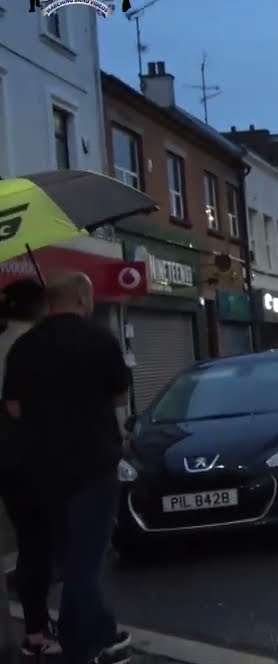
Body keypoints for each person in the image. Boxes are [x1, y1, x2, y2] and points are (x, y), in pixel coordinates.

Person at [3, 273, 132, 664]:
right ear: (82, 297)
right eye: (90, 297)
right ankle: (83, 647)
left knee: (70, 557)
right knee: (83, 564)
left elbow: (13, 408)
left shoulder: (23, 348)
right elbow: (120, 392)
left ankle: (104, 633)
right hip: (93, 469)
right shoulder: (100, 340)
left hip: (44, 472)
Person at [0, 279, 59, 657]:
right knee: (39, 543)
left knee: (31, 540)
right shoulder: (35, 346)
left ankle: (38, 626)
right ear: (40, 307)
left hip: (9, 457)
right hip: (30, 455)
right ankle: (37, 630)